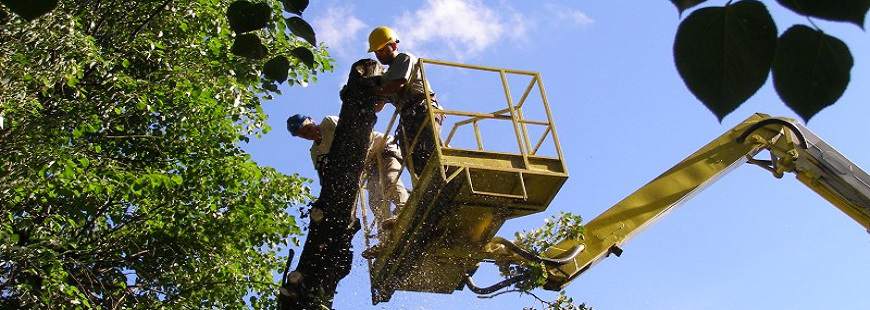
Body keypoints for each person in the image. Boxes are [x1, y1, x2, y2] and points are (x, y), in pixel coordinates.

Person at [287, 114, 408, 237]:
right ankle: (386, 237)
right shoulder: (315, 152)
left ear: (312, 120)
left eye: (308, 128)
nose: (309, 134)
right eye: (304, 135)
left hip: (382, 149)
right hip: (367, 166)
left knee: (390, 180)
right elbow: (325, 178)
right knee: (375, 201)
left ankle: (405, 211)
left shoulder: (328, 123)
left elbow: (355, 135)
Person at [367, 26, 444, 178]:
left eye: (382, 50)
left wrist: (374, 91)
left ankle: (445, 173)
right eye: (377, 52)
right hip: (408, 118)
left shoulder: (404, 58)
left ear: (394, 45)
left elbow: (399, 83)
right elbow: (379, 106)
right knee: (411, 157)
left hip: (423, 109)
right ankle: (427, 182)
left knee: (430, 149)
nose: (379, 55)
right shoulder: (387, 76)